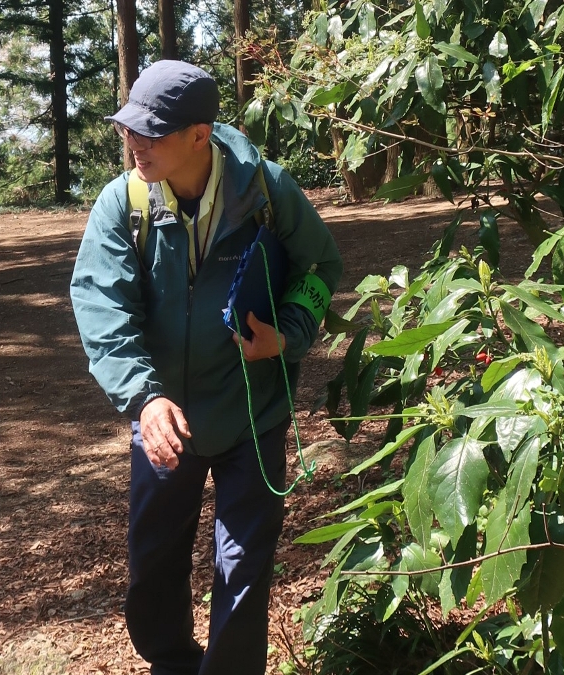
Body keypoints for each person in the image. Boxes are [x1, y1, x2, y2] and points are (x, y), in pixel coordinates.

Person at [69, 60, 342, 675]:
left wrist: (289, 334)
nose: (135, 143)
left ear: (200, 134)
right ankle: (170, 661)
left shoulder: (267, 190)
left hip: (253, 412)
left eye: (152, 131)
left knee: (243, 562)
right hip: (165, 418)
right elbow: (100, 305)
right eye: (128, 129)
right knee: (155, 558)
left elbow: (321, 268)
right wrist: (144, 398)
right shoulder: (124, 202)